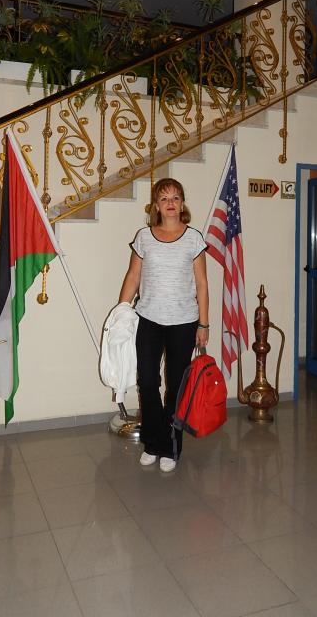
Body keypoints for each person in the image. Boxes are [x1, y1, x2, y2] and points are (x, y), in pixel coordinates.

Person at [118, 177, 209, 472]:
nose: (170, 203)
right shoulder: (144, 237)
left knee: (176, 386)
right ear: (156, 205)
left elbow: (202, 284)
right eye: (164, 198)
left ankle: (171, 446)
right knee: (147, 382)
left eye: (175, 197)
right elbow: (133, 276)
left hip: (184, 322)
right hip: (149, 319)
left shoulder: (194, 238)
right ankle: (152, 442)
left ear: (182, 204)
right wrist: (121, 312)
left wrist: (204, 324)